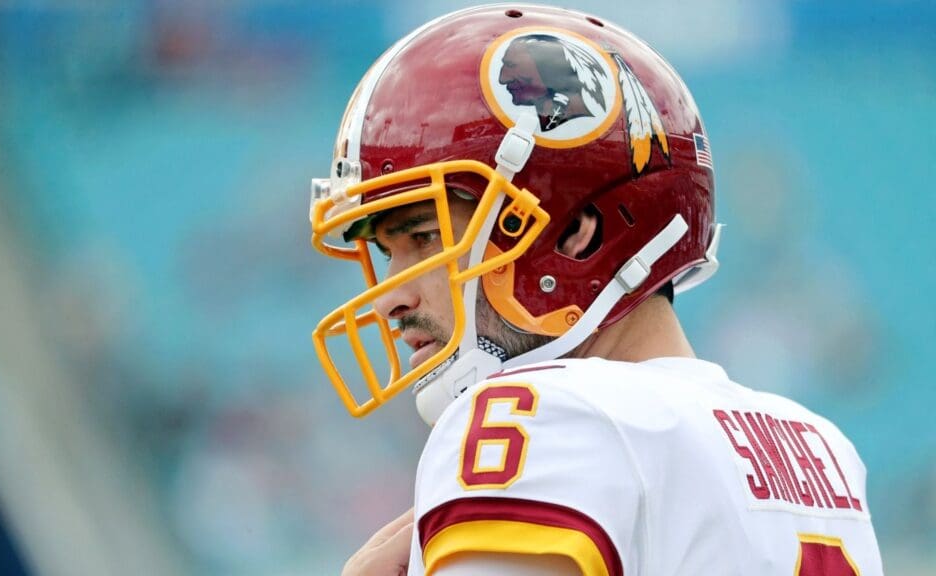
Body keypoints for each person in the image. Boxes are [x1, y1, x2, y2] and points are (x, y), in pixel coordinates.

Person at [308, 5, 883, 575]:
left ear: (576, 233)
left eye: (425, 236)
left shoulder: (538, 415)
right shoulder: (819, 450)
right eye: (389, 252)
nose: (390, 298)